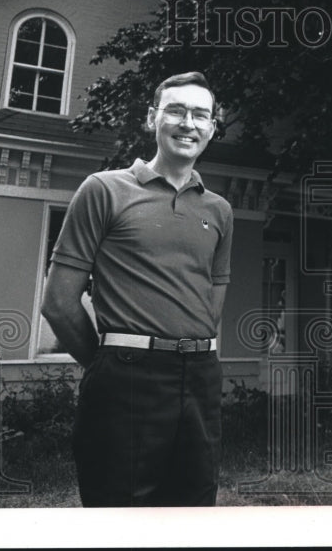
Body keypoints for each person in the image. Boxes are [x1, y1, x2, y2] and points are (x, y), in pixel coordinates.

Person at [40, 71, 233, 507]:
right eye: (176, 111)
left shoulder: (220, 210)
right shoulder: (104, 190)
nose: (188, 123)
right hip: (125, 376)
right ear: (152, 118)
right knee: (119, 514)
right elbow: (58, 303)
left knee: (194, 513)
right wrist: (108, 364)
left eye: (201, 115)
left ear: (212, 128)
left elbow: (212, 304)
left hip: (201, 378)